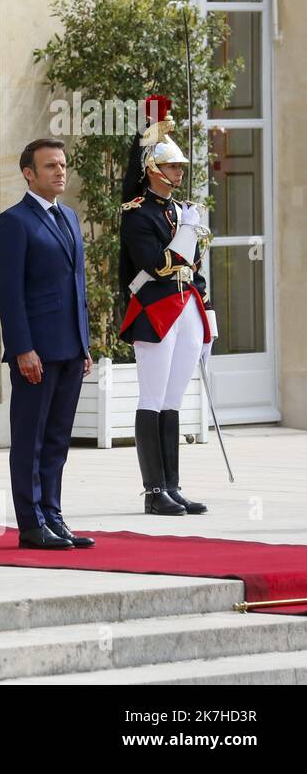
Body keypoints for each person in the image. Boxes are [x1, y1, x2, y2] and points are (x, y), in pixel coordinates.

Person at [0, 137, 94, 550]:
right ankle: (31, 523)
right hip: (35, 351)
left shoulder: (69, 217)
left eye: (63, 165)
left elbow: (77, 286)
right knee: (31, 439)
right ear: (29, 174)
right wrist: (22, 348)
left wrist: (84, 344)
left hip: (69, 348)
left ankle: (54, 516)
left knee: (56, 439)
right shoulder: (14, 222)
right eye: (50, 166)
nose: (60, 171)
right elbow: (9, 293)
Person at [119, 95, 215, 516]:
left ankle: (172, 485)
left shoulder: (181, 210)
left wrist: (207, 307)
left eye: (180, 167)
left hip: (186, 306)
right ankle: (153, 490)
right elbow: (158, 264)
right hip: (155, 309)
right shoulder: (137, 213)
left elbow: (193, 268)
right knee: (152, 398)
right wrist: (188, 230)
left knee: (174, 401)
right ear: (154, 171)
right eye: (173, 166)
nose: (179, 172)